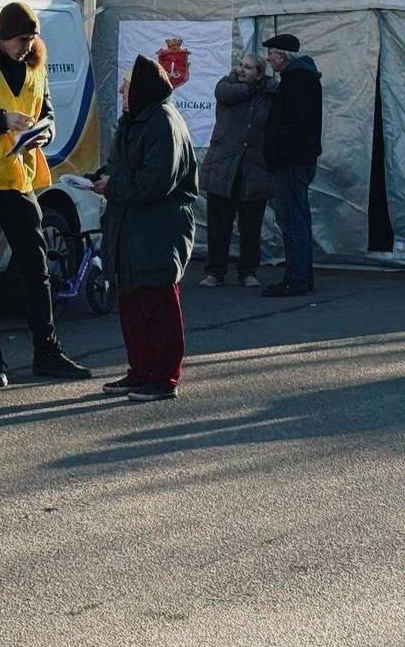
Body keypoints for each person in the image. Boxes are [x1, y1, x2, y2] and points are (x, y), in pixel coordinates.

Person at [0, 1, 92, 388]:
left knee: (37, 269)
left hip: (19, 182)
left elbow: (49, 113)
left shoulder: (35, 67)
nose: (27, 46)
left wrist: (45, 132)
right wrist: (1, 120)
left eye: (32, 39)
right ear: (2, 37)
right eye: (21, 39)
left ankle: (47, 350)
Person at [94, 55, 198, 402]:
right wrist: (99, 178)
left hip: (157, 231)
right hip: (130, 229)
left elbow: (155, 182)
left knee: (158, 305)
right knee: (133, 306)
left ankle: (164, 377)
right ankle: (140, 370)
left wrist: (113, 186)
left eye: (125, 87)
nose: (122, 92)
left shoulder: (163, 122)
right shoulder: (135, 120)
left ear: (139, 89)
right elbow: (121, 166)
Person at [197, 54, 273, 288]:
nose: (240, 69)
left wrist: (264, 87)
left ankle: (248, 271)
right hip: (224, 166)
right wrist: (255, 88)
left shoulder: (269, 94)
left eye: (247, 68)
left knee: (251, 226)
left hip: (254, 169)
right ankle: (215, 271)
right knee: (219, 224)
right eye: (240, 64)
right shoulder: (227, 86)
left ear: (259, 73)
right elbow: (227, 95)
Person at [261, 32, 323, 298]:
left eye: (272, 54)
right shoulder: (302, 79)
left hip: (291, 162)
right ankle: (301, 276)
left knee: (292, 220)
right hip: (299, 160)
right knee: (299, 218)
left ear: (283, 56)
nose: (269, 59)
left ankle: (296, 278)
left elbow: (292, 124)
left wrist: (276, 151)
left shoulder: (296, 82)